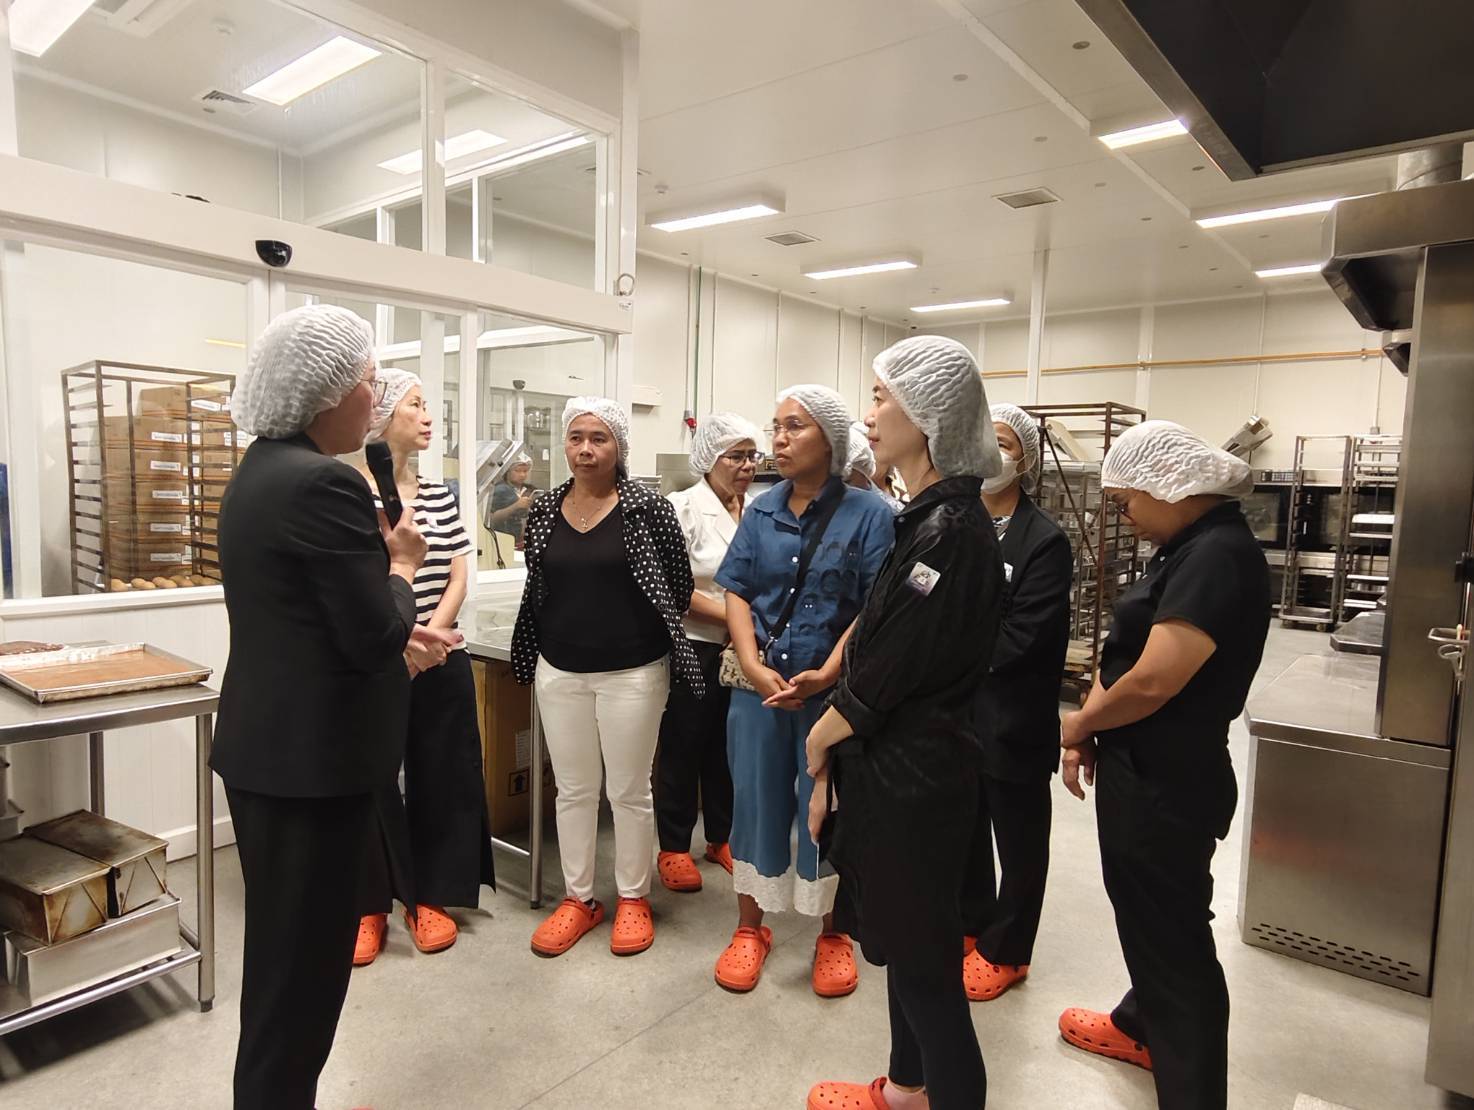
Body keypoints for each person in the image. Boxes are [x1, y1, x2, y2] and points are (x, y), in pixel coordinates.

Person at [213, 304, 455, 1109]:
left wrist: (393, 631)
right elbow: (370, 630)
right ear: (323, 394)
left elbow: (312, 618)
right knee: (302, 981)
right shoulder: (325, 482)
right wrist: (402, 566)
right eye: (367, 382)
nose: (375, 397)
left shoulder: (263, 467)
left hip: (270, 749)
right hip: (311, 770)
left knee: (280, 966)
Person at [804, 336, 1004, 1110]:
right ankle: (907, 1089)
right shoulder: (925, 519)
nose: (869, 415)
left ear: (927, 416)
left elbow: (890, 666)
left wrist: (821, 742)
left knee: (926, 972)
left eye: (882, 397)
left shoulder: (949, 532)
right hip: (897, 768)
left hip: (915, 778)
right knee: (908, 950)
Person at [1056, 419, 1270, 1110]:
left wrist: (1081, 723)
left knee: (1175, 947)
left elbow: (1153, 680)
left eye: (1127, 502)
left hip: (1168, 780)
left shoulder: (1217, 556)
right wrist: (1095, 725)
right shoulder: (1186, 548)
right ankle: (1139, 1024)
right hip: (1142, 765)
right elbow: (1126, 654)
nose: (1126, 516)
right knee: (1150, 920)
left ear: (1167, 485)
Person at [711, 385, 894, 997]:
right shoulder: (761, 510)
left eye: (795, 426)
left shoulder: (870, 515)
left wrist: (833, 671)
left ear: (832, 440)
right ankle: (749, 927)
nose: (779, 439)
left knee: (829, 807)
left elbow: (873, 606)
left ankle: (832, 933)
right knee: (754, 800)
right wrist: (751, 662)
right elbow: (737, 589)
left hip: (830, 696)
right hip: (759, 691)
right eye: (777, 426)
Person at [510, 397, 700, 958]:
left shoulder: (647, 508)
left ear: (619, 446)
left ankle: (634, 897)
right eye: (576, 437)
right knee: (572, 789)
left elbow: (679, 586)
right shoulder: (545, 508)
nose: (586, 449)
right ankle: (580, 899)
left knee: (629, 790)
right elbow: (539, 582)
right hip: (559, 669)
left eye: (599, 438)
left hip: (633, 672)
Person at [352, 369, 495, 967]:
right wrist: (402, 644)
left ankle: (430, 895)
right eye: (415, 405)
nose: (428, 416)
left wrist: (432, 634)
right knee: (370, 779)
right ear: (383, 416)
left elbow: (459, 570)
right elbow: (358, 583)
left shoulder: (439, 493)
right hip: (378, 657)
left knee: (444, 771)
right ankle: (369, 903)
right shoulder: (350, 493)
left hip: (441, 653)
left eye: (427, 404)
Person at [960, 402, 1073, 1002]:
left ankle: (1009, 950)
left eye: (1002, 443)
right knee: (967, 829)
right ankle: (973, 923)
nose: (991, 453)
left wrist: (947, 651)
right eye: (984, 440)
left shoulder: (1044, 541)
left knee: (1021, 841)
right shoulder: (959, 524)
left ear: (1023, 458)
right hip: (959, 715)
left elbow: (1025, 636)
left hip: (1013, 719)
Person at [654, 413, 761, 893]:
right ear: (709, 458)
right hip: (695, 644)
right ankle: (674, 847)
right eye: (735, 456)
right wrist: (736, 621)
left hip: (743, 647)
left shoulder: (756, 509)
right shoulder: (683, 508)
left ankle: (722, 836)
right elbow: (673, 588)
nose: (746, 465)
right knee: (684, 744)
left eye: (752, 456)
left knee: (728, 747)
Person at [486, 453, 536, 562]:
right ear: (507, 471)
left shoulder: (527, 490)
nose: (522, 475)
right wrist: (516, 506)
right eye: (517, 471)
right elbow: (492, 520)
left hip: (519, 542)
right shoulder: (501, 490)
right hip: (503, 542)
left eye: (525, 471)